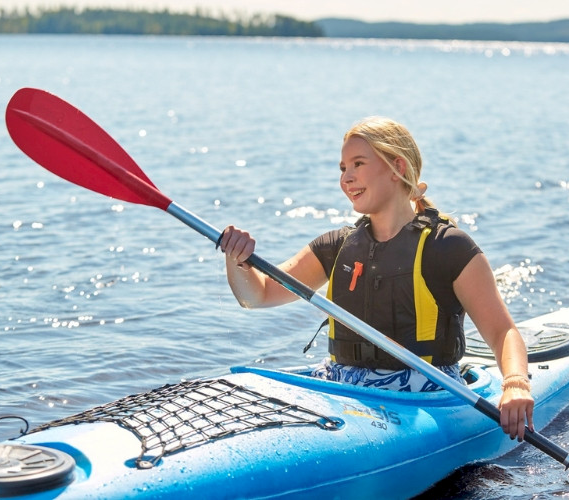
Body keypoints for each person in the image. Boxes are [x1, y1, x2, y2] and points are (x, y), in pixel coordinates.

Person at [219, 116, 534, 441]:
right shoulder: (336, 246)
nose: (347, 177)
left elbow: (502, 331)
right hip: (342, 388)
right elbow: (257, 295)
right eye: (342, 168)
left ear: (396, 166)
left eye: (358, 164)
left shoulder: (448, 247)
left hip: (423, 393)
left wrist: (515, 384)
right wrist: (237, 260)